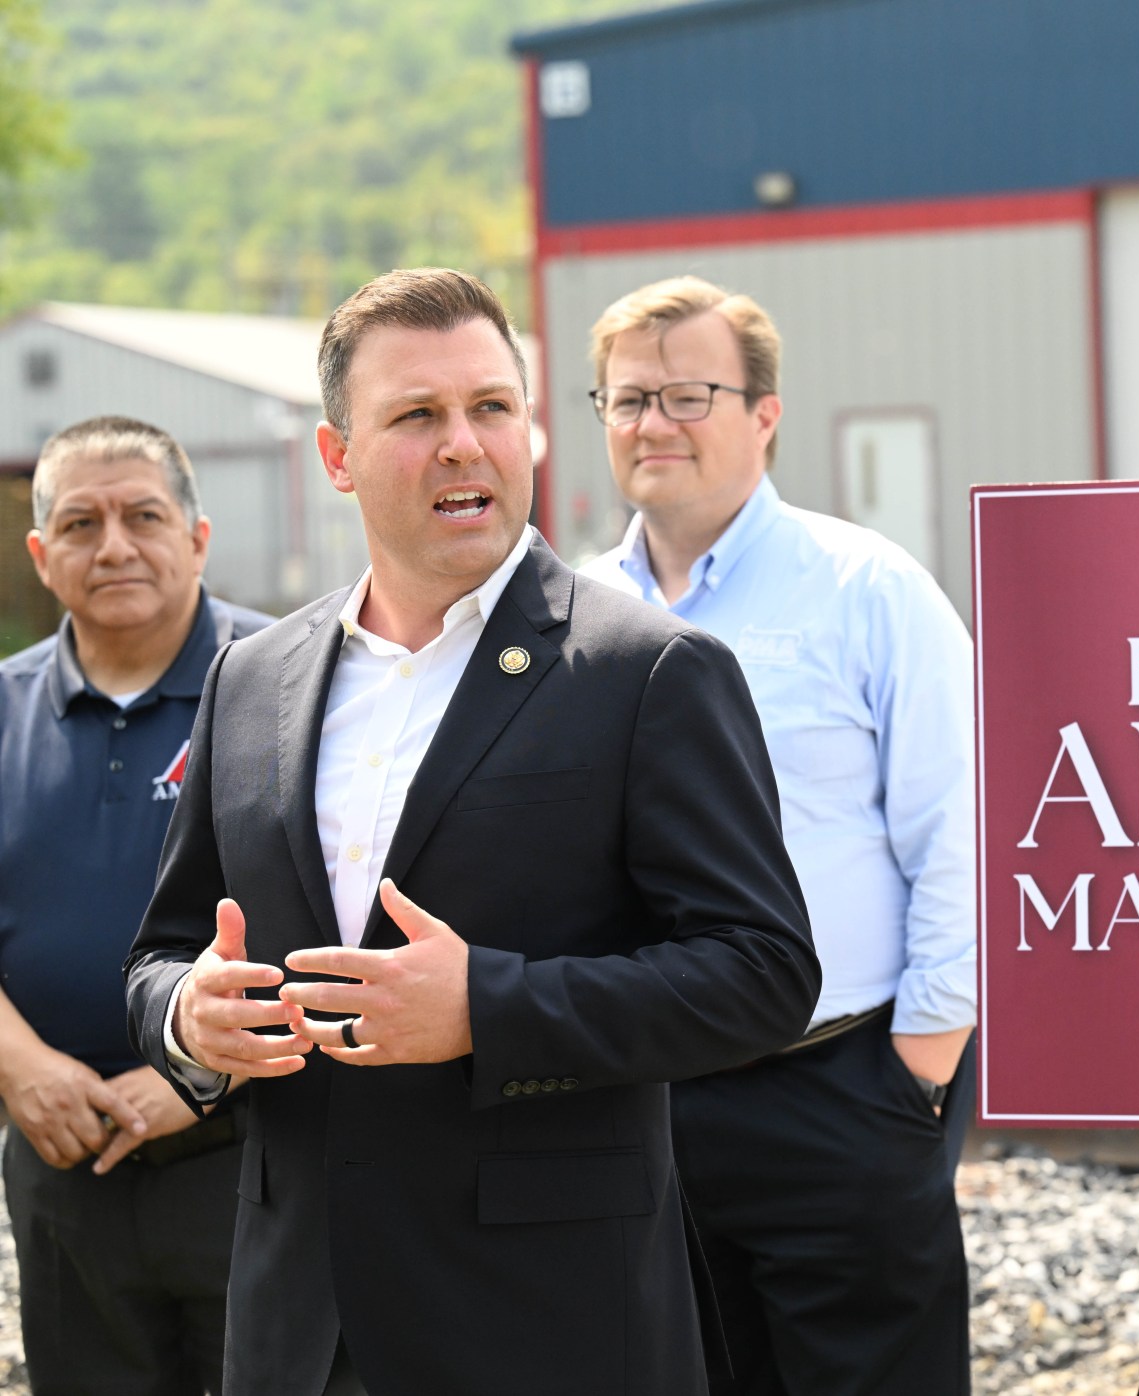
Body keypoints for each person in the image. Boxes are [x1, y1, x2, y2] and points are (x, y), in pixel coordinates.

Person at [124, 268, 819, 1396]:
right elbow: (159, 954)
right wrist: (189, 1021)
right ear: (336, 456)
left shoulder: (647, 673)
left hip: (547, 1326)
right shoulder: (249, 682)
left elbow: (763, 973)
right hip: (300, 1329)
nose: (464, 444)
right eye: (416, 415)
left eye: (492, 407)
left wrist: (484, 1007)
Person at [579, 276, 976, 1396]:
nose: (653, 423)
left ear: (765, 413)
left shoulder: (866, 590)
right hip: (642, 1104)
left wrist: (919, 1067)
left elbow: (957, 833)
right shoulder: (573, 619)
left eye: (689, 394)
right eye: (626, 400)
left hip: (840, 1087)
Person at [0, 416, 271, 1395]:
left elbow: (345, 913)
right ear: (41, 554)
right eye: (79, 523)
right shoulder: (3, 706)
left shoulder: (290, 685)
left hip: (256, 1159)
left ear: (197, 536)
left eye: (142, 515)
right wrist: (19, 1064)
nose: (112, 545)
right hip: (62, 1164)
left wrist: (202, 1074)